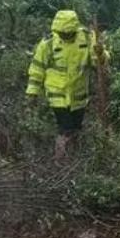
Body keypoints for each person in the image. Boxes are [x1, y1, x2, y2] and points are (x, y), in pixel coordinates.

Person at [25, 9, 108, 159]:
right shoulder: (48, 43)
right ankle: (61, 160)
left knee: (76, 128)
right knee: (66, 129)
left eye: (69, 33)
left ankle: (73, 157)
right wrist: (32, 93)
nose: (66, 36)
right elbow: (37, 69)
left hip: (79, 97)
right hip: (58, 97)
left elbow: (100, 63)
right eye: (63, 33)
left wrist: (100, 52)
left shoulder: (87, 38)